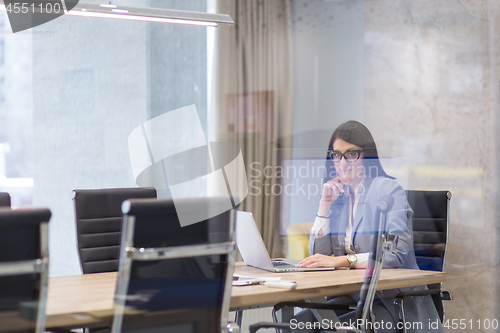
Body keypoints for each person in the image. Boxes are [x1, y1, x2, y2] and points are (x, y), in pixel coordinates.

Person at [294, 120, 443, 333]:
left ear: (368, 156)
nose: (342, 162)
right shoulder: (340, 197)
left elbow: (395, 254)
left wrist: (345, 260)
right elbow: (321, 257)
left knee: (329, 328)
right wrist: (324, 206)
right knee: (297, 324)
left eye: (351, 154)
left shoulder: (389, 191)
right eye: (336, 154)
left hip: (392, 301)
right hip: (352, 297)